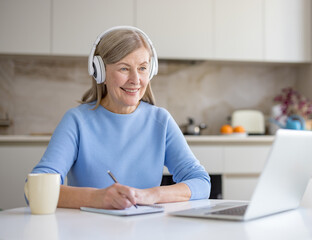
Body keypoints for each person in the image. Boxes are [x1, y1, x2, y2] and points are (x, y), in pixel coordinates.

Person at [30, 26, 211, 210]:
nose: (135, 79)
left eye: (142, 68)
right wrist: (97, 198)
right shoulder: (76, 121)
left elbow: (201, 182)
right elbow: (35, 190)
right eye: (124, 68)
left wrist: (152, 194)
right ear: (100, 72)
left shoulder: (160, 121)